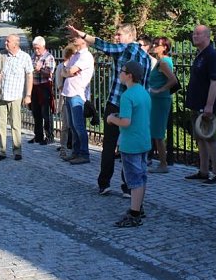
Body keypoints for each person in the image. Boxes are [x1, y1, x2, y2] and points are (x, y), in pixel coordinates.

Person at [66, 23, 151, 196]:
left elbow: (99, 43)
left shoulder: (123, 50)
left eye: (119, 35)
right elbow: (147, 87)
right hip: (136, 106)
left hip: (116, 104)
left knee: (109, 145)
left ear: (129, 36)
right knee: (128, 146)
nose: (116, 38)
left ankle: (104, 183)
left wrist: (81, 33)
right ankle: (128, 186)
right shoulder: (147, 58)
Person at [106, 61, 152, 227]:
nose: (120, 73)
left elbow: (125, 122)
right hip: (144, 140)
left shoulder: (127, 95)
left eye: (122, 71)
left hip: (131, 143)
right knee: (142, 176)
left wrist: (112, 119)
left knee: (133, 179)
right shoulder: (144, 92)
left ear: (129, 75)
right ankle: (139, 207)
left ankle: (134, 214)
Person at [184, 24, 216, 185]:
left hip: (205, 105)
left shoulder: (212, 56)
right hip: (195, 103)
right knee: (200, 138)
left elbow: (215, 82)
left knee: (209, 138)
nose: (195, 36)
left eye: (198, 34)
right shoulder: (200, 55)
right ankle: (203, 171)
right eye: (194, 33)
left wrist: (209, 105)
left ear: (207, 36)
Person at [0, 34, 33, 161]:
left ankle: (17, 150)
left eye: (7, 41)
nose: (5, 43)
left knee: (15, 124)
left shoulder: (24, 57)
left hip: (15, 95)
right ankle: (1, 151)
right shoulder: (1, 55)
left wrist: (28, 94)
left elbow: (29, 76)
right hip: (1, 95)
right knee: (0, 125)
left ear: (15, 43)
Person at [61, 33, 95, 164]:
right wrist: (68, 71)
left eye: (77, 37)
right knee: (72, 126)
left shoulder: (86, 56)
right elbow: (65, 71)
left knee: (79, 126)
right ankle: (75, 152)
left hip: (77, 94)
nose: (74, 38)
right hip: (69, 92)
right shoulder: (76, 55)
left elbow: (69, 71)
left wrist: (69, 71)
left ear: (84, 42)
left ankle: (84, 154)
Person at [147, 36, 177, 174]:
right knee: (155, 132)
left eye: (157, 44)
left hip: (160, 100)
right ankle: (161, 162)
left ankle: (163, 164)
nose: (154, 46)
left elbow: (173, 80)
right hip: (157, 100)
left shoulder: (163, 62)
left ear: (165, 47)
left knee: (158, 133)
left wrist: (159, 90)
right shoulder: (162, 61)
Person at [28, 36, 56, 145]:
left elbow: (49, 73)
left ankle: (49, 136)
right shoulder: (33, 56)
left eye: (38, 48)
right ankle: (38, 135)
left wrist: (39, 70)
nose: (36, 50)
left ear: (43, 46)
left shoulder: (49, 57)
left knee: (46, 113)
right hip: (34, 86)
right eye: (34, 48)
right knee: (36, 112)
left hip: (44, 87)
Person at [54, 44, 77, 159]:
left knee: (75, 126)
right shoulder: (60, 67)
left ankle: (75, 148)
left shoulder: (77, 66)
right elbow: (60, 85)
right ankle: (62, 147)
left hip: (77, 99)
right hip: (65, 99)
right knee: (66, 125)